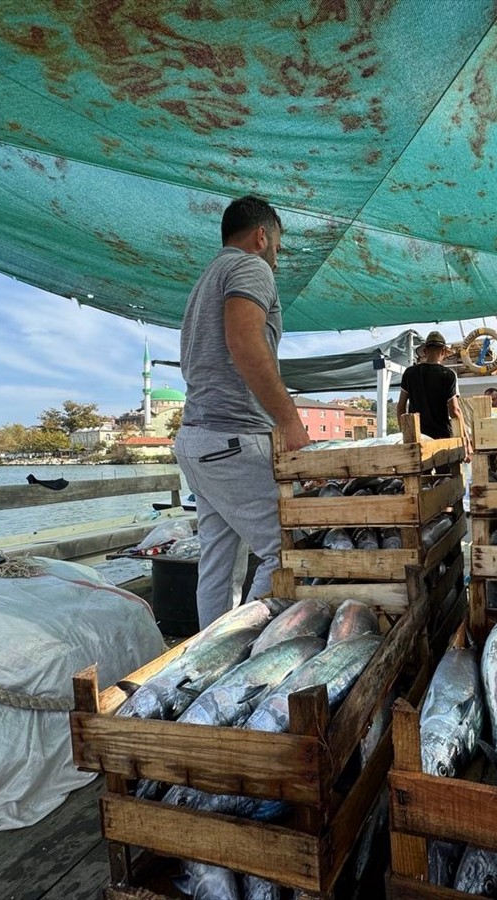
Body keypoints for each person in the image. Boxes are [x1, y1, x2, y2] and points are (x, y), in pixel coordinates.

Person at [174, 195, 310, 631]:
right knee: (288, 550)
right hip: (233, 439)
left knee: (218, 562)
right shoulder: (251, 267)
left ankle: (208, 655)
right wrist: (289, 420)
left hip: (198, 439)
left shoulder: (205, 281)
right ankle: (247, 649)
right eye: (278, 247)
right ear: (261, 236)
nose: (278, 259)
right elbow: (244, 340)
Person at [397, 331, 471, 459]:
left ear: (425, 351)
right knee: (446, 471)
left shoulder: (410, 373)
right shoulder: (448, 374)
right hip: (441, 438)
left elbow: (400, 407)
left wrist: (404, 434)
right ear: (443, 351)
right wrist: (466, 442)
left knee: (419, 470)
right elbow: (454, 411)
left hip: (417, 437)